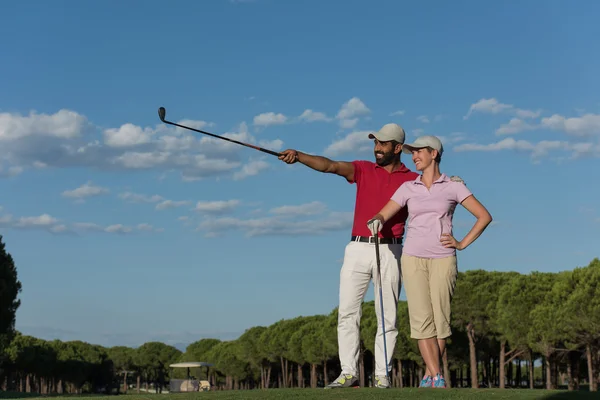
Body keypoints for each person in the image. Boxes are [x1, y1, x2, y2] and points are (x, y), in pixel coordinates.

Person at [278, 123, 418, 389]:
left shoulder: (412, 179)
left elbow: (434, 189)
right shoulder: (363, 169)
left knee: (387, 315)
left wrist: (452, 181)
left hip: (391, 249)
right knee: (347, 313)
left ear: (398, 148)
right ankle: (348, 373)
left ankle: (381, 375)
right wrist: (299, 156)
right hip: (357, 248)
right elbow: (329, 165)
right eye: (375, 143)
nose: (377, 148)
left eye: (383, 144)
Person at [367, 135, 493, 389]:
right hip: (413, 257)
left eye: (418, 152)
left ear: (434, 154)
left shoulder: (454, 186)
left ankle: (430, 374)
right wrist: (377, 219)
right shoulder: (407, 188)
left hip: (443, 259)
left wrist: (461, 243)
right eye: (412, 153)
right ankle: (436, 376)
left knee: (440, 321)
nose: (413, 156)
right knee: (421, 319)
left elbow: (484, 216)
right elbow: (386, 210)